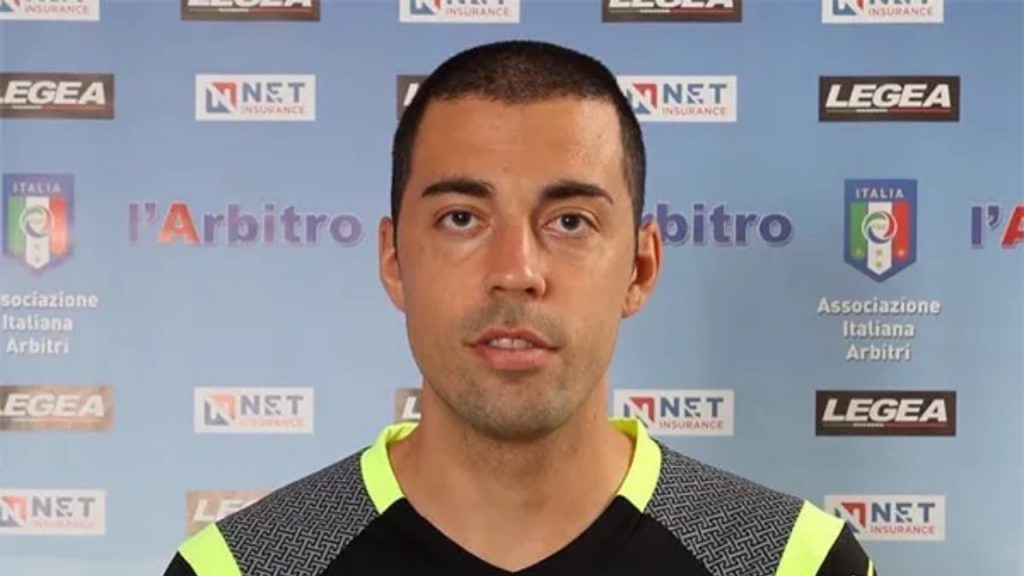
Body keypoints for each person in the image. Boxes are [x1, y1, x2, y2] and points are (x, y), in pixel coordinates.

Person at [162, 40, 878, 576]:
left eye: (569, 221)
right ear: (394, 261)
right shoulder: (243, 568)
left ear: (640, 267)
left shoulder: (793, 563)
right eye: (461, 219)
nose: (516, 272)